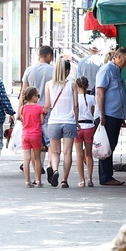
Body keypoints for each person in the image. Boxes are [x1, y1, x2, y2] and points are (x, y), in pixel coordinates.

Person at [95, 47, 126, 186]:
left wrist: (121, 117)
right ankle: (105, 177)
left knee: (112, 144)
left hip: (116, 115)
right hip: (108, 114)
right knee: (107, 146)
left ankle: (108, 175)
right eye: (125, 61)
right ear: (118, 57)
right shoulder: (106, 70)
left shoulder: (118, 71)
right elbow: (100, 92)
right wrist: (101, 114)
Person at [44, 59, 79, 188]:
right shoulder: (73, 84)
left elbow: (47, 105)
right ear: (68, 71)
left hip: (54, 121)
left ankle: (55, 170)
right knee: (68, 152)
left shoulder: (49, 85)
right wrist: (76, 122)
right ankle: (64, 180)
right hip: (69, 121)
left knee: (55, 151)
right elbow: (76, 105)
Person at [21, 45, 54, 174]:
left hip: (30, 110)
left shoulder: (29, 70)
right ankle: (51, 164)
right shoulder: (54, 70)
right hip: (48, 109)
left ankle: (37, 168)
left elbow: (23, 92)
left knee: (35, 139)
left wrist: (20, 110)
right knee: (50, 141)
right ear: (49, 56)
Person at [19, 86, 45, 188]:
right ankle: (38, 180)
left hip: (25, 134)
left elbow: (23, 120)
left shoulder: (23, 108)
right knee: (37, 158)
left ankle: (27, 181)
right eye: (37, 95)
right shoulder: (39, 107)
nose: (38, 97)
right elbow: (42, 121)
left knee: (26, 159)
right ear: (33, 97)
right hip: (36, 134)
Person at [74, 76, 96, 187]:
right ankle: (90, 179)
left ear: (76, 86)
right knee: (89, 154)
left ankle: (82, 180)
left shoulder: (74, 98)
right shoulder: (91, 98)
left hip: (78, 127)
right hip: (89, 127)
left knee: (79, 155)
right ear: (87, 86)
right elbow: (93, 113)